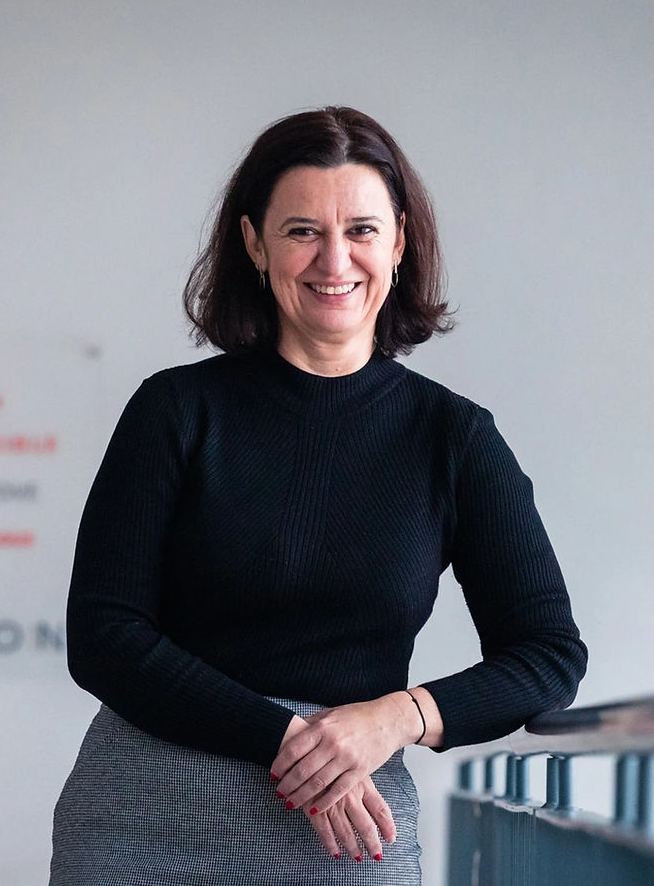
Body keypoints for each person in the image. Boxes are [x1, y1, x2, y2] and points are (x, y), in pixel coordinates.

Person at [49, 106, 587, 886]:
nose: (334, 259)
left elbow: (548, 653)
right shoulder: (176, 410)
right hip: (145, 818)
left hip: (347, 832)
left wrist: (395, 717)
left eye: (361, 229)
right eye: (302, 230)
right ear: (254, 244)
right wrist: (286, 738)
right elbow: (103, 633)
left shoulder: (454, 438)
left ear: (398, 242)